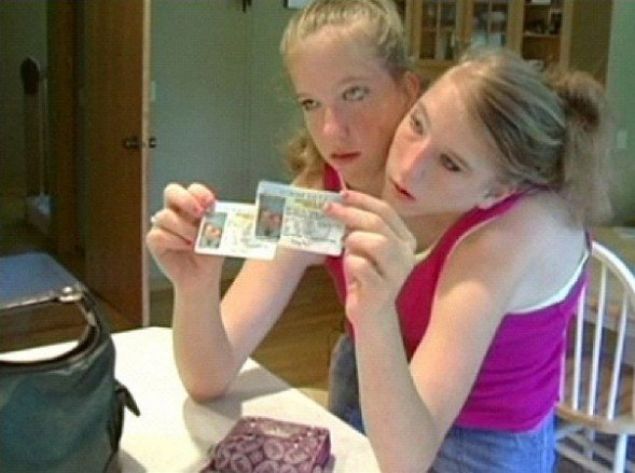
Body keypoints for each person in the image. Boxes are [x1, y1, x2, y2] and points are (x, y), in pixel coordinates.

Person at [323, 48, 613, 472]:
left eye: (450, 163)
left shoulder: (508, 239)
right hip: (396, 386)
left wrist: (374, 311)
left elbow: (405, 459)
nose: (408, 167)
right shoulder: (419, 176)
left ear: (496, 192)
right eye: (417, 123)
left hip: (482, 443)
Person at [145, 0, 419, 408]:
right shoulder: (314, 194)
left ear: (408, 91)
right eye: (310, 103)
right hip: (362, 384)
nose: (331, 130)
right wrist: (195, 287)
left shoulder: (474, 186)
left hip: (479, 421)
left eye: (354, 93)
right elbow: (208, 378)